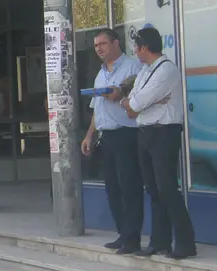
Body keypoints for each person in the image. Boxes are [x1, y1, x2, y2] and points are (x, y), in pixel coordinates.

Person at [120, 27, 196, 259]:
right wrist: (137, 103)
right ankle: (159, 242)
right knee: (153, 190)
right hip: (145, 132)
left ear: (144, 47)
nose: (135, 51)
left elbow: (138, 101)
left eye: (136, 47)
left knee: (167, 189)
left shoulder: (166, 70)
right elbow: (132, 103)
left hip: (164, 133)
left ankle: (185, 243)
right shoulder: (144, 71)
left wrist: (137, 103)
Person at [80, 29, 145, 254]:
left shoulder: (132, 67)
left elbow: (140, 96)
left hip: (126, 134)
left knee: (130, 187)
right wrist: (89, 135)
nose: (99, 48)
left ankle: (132, 239)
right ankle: (123, 233)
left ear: (116, 43)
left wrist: (121, 94)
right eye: (96, 45)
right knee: (113, 188)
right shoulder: (100, 75)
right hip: (106, 136)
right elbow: (96, 110)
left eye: (103, 44)